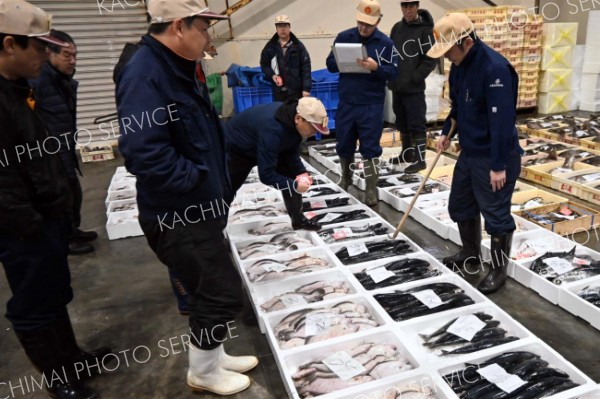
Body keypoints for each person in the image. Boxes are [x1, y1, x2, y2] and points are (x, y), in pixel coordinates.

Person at [116, 0, 257, 395]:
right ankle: (203, 372)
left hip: (199, 207)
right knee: (220, 292)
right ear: (179, 26)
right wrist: (197, 180)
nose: (209, 36)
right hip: (179, 212)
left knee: (202, 289)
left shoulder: (175, 67)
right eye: (204, 27)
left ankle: (214, 355)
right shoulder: (145, 73)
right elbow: (144, 154)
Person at [0, 1, 112, 398]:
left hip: (46, 216)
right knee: (32, 306)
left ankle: (72, 360)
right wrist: (29, 226)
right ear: (10, 44)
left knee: (53, 293)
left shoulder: (20, 90)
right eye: (39, 48)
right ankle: (59, 381)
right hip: (21, 229)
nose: (46, 57)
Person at [428, 13, 522, 294]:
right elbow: (458, 108)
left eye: (449, 51)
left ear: (466, 42)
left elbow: (502, 122)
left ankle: (498, 269)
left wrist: (497, 166)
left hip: (495, 156)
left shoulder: (495, 69)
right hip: (469, 152)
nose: (447, 58)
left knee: (496, 216)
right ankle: (470, 253)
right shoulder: (458, 66)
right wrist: (446, 132)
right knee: (460, 205)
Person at [30, 29, 98, 256]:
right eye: (67, 56)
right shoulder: (39, 80)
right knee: (61, 197)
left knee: (73, 192)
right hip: (51, 153)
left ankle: (73, 230)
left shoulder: (60, 79)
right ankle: (66, 239)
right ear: (50, 53)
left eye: (75, 55)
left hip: (64, 147)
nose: (73, 60)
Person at [326, 0, 399, 206]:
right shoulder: (344, 37)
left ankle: (371, 189)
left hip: (371, 105)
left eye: (368, 24)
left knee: (370, 147)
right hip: (347, 102)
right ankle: (346, 178)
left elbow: (394, 72)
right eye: (360, 23)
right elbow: (329, 64)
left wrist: (377, 67)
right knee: (344, 144)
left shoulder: (386, 44)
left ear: (377, 22)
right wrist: (341, 61)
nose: (363, 28)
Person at [225, 97, 330, 230]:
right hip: (238, 148)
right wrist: (295, 185)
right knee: (226, 189)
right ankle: (216, 229)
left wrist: (301, 172)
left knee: (292, 174)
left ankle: (298, 219)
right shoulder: (273, 130)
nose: (315, 133)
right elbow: (266, 175)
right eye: (313, 128)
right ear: (298, 118)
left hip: (264, 141)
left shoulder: (294, 121)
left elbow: (291, 152)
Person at [388, 0, 437, 173]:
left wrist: (415, 77)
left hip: (414, 88)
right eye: (404, 6)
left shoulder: (425, 30)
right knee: (401, 122)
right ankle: (407, 154)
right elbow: (390, 52)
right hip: (397, 86)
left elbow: (431, 58)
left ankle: (420, 159)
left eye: (411, 6)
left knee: (416, 123)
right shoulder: (396, 28)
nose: (407, 10)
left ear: (417, 7)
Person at [260, 15, 312, 102]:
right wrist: (273, 76)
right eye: (279, 26)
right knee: (280, 114)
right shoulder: (270, 47)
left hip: (295, 91)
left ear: (289, 27)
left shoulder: (298, 46)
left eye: (285, 26)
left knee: (295, 114)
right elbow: (264, 64)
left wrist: (306, 89)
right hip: (278, 91)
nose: (282, 29)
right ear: (276, 28)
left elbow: (306, 68)